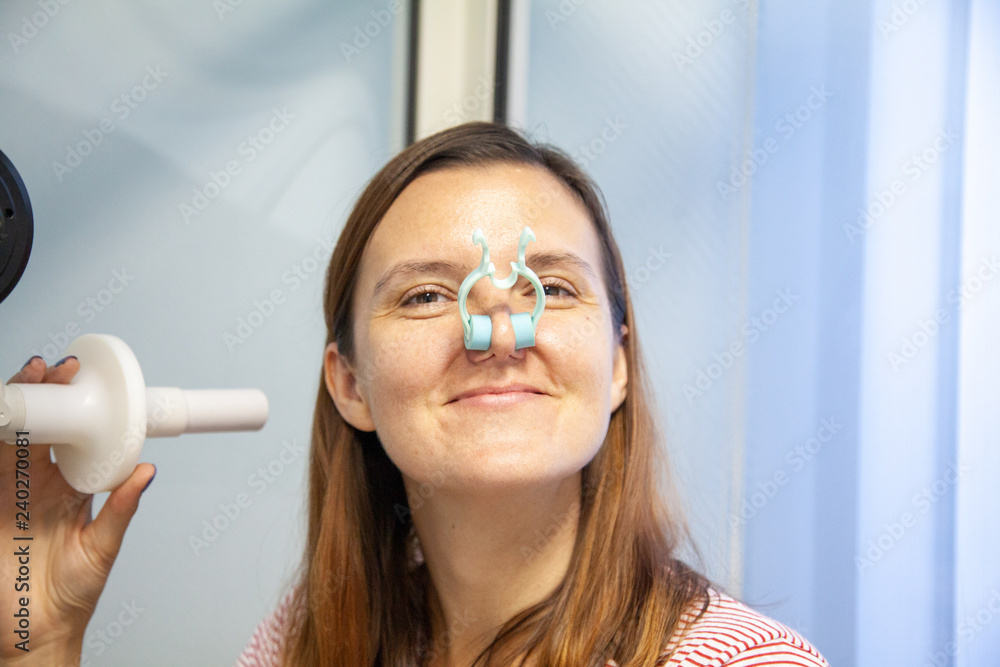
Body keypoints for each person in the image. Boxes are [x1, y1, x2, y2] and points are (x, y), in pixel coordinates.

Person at [2, 122, 830, 666]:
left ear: (617, 363)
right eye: (428, 295)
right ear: (349, 383)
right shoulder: (304, 639)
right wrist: (38, 635)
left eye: (550, 287)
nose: (498, 335)